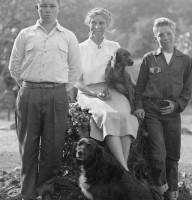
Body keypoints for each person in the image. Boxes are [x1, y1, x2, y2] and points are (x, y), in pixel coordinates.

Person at [8, 0, 82, 199]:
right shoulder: (25, 34)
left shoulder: (68, 36)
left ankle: (45, 191)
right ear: (37, 7)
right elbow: (14, 66)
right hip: (29, 93)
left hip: (57, 95)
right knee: (28, 146)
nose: (47, 10)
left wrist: (59, 89)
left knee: (53, 146)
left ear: (59, 8)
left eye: (52, 6)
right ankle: (28, 193)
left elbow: (75, 69)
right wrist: (29, 85)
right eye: (43, 6)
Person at [134, 17, 192, 200]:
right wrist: (138, 106)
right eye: (161, 35)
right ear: (155, 37)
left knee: (173, 154)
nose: (165, 37)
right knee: (158, 152)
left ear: (175, 34)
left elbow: (187, 91)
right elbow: (139, 88)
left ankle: (172, 192)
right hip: (152, 110)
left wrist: (176, 106)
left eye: (169, 34)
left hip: (173, 111)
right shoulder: (149, 59)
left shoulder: (186, 61)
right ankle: (160, 187)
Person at [75, 7, 139, 171]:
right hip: (88, 91)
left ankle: (122, 170)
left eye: (101, 22)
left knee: (125, 115)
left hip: (112, 90)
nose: (97, 26)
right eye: (93, 22)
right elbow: (76, 81)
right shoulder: (79, 48)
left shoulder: (114, 46)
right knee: (108, 114)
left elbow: (122, 73)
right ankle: (124, 169)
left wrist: (136, 88)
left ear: (107, 24)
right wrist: (94, 93)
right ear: (88, 23)